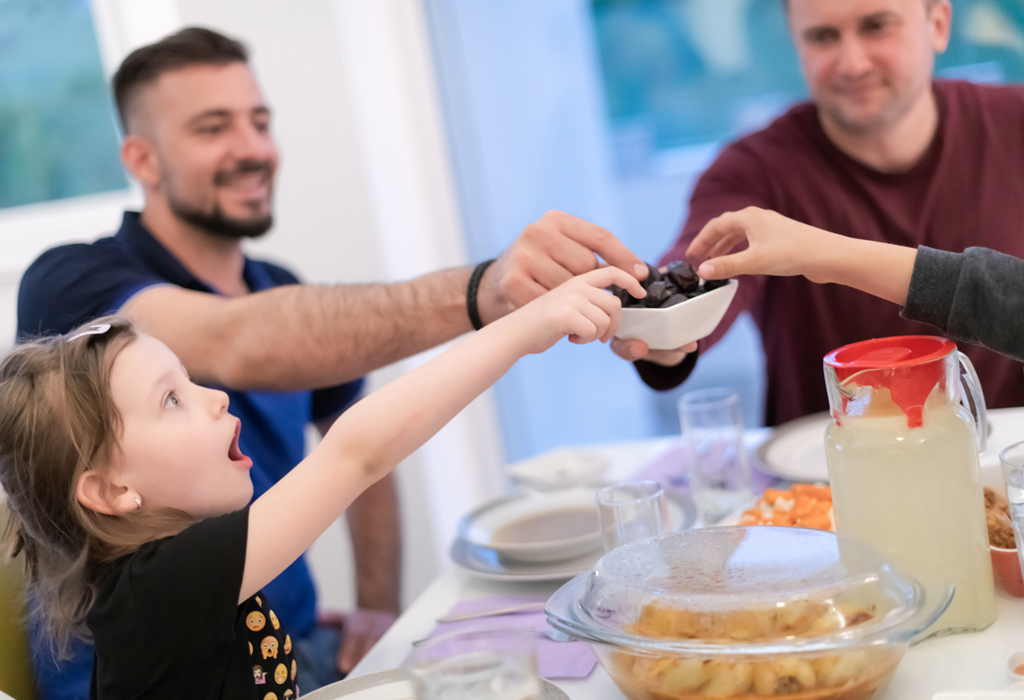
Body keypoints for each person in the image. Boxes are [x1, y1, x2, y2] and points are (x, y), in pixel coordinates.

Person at [15, 27, 650, 697]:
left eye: (260, 121)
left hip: (283, 643)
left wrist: (376, 608)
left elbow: (357, 445)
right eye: (212, 127)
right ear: (142, 158)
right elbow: (318, 415)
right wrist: (513, 316)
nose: (253, 147)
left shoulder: (280, 291)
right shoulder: (75, 287)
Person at [0, 266, 645, 699]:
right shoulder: (155, 589)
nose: (218, 398)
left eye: (190, 380)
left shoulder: (175, 582)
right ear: (111, 492)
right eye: (171, 400)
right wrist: (526, 328)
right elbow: (355, 454)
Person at [611, 0, 1024, 425]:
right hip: (826, 481)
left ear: (937, 24)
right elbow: (699, 271)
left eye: (877, 26)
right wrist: (662, 327)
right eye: (822, 37)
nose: (853, 63)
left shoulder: (1015, 125)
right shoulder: (752, 171)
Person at [689, 206, 1024, 360]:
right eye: (822, 56)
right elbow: (706, 251)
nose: (853, 65)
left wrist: (829, 256)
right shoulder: (757, 159)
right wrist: (673, 322)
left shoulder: (1012, 116)